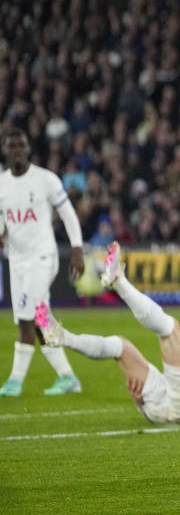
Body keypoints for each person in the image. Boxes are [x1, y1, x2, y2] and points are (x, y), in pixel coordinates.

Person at [35, 242, 180, 423]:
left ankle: (119, 282)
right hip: (161, 409)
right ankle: (61, 337)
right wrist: (142, 405)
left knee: (170, 329)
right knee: (119, 346)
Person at [0, 127, 85, 397]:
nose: (16, 150)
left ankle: (15, 381)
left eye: (20, 145)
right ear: (4, 150)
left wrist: (77, 249)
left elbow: (68, 214)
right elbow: (4, 217)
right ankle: (67, 376)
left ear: (28, 149)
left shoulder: (45, 180)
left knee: (27, 320)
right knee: (39, 319)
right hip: (16, 261)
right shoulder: (1, 183)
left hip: (43, 257)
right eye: (11, 146)